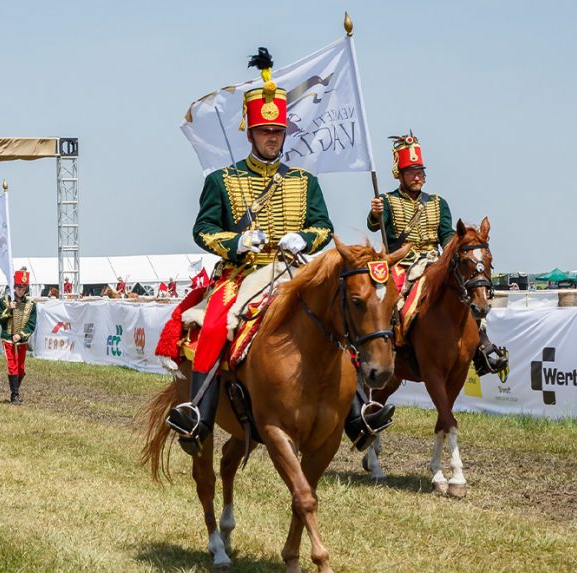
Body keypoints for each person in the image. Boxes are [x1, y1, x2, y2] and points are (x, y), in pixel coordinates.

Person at [165, 48, 341, 456]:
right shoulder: (222, 181)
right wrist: (237, 242)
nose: (272, 138)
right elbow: (202, 230)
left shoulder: (304, 181)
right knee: (212, 327)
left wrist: (307, 240)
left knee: (343, 315)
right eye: (265, 132)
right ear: (250, 134)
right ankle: (198, 415)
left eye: (278, 132)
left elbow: (323, 227)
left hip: (295, 269)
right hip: (243, 274)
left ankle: (358, 411)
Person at [367, 132, 507, 376]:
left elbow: (446, 237)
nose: (417, 176)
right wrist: (375, 213)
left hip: (433, 261)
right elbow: (374, 225)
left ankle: (481, 346)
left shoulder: (438, 203)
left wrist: (456, 252)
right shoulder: (387, 200)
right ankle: (392, 345)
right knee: (392, 301)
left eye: (420, 171)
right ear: (399, 175)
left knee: (464, 292)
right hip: (402, 263)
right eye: (411, 172)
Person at [0, 270, 37, 405]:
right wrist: (9, 310)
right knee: (12, 365)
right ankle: (14, 395)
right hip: (8, 338)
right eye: (19, 287)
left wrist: (20, 335)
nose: (21, 290)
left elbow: (31, 324)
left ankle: (15, 388)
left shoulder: (31, 304)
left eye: (23, 288)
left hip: (22, 341)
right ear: (14, 287)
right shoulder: (4, 301)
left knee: (21, 368)